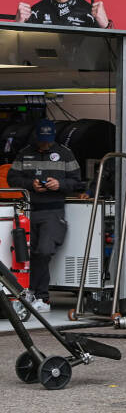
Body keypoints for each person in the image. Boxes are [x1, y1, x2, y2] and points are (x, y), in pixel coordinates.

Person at [6, 119, 82, 312]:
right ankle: (30, 293)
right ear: (36, 137)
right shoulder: (25, 153)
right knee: (26, 254)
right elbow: (11, 177)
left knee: (44, 251)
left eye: (48, 140)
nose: (44, 144)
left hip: (53, 211)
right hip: (29, 210)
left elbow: (77, 182)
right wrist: (31, 184)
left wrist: (59, 185)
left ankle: (41, 295)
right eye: (42, 140)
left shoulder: (65, 154)